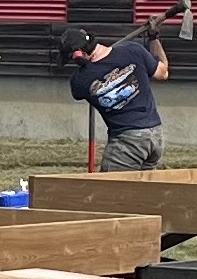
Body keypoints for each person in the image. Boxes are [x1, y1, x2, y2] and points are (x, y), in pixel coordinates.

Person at [59, 24, 170, 172]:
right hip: (155, 136)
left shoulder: (80, 81)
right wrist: (154, 38)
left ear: (79, 54)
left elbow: (78, 93)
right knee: (144, 185)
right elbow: (163, 73)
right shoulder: (133, 51)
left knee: (109, 185)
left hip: (126, 142)